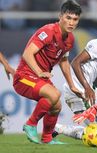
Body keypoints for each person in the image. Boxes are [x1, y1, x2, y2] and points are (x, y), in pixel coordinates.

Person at [12, 0, 82, 144]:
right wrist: (38, 72)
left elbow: (64, 61)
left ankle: (47, 139)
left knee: (56, 106)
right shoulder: (48, 31)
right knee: (54, 95)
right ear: (60, 16)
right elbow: (27, 54)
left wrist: (72, 85)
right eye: (68, 18)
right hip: (23, 77)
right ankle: (30, 124)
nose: (71, 22)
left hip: (39, 78)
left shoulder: (70, 39)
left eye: (75, 19)